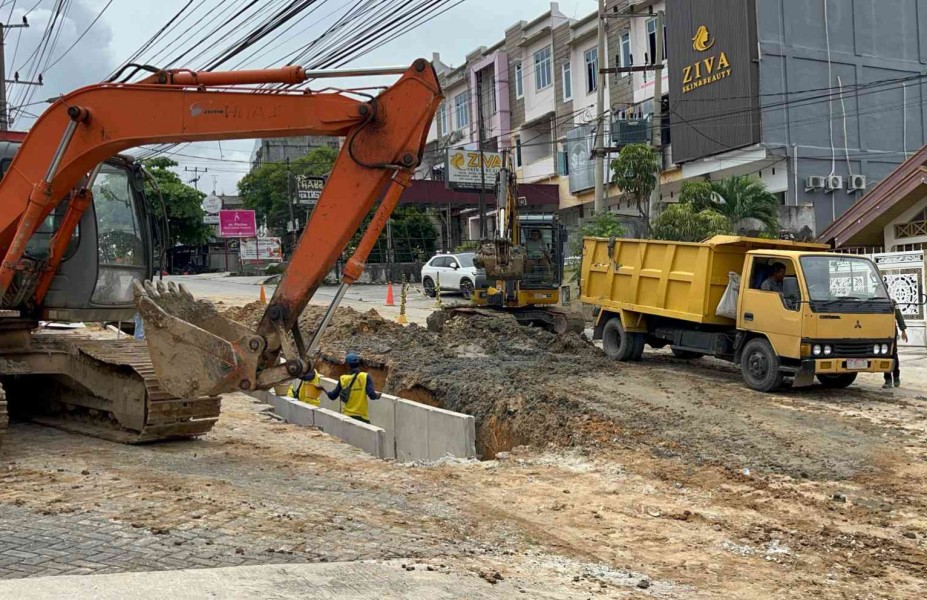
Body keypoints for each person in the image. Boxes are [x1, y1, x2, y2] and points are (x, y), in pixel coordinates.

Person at [325, 352, 380, 423]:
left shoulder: (343, 379)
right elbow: (372, 395)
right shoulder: (365, 377)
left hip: (347, 417)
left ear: (347, 365)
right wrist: (377, 396)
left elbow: (332, 396)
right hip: (362, 417)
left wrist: (323, 389)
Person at [884, 298, 909, 389]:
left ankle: (896, 377)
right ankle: (887, 379)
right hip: (881, 332)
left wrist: (903, 330)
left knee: (893, 354)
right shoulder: (874, 302)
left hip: (891, 332)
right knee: (885, 356)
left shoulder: (892, 302)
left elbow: (898, 316)